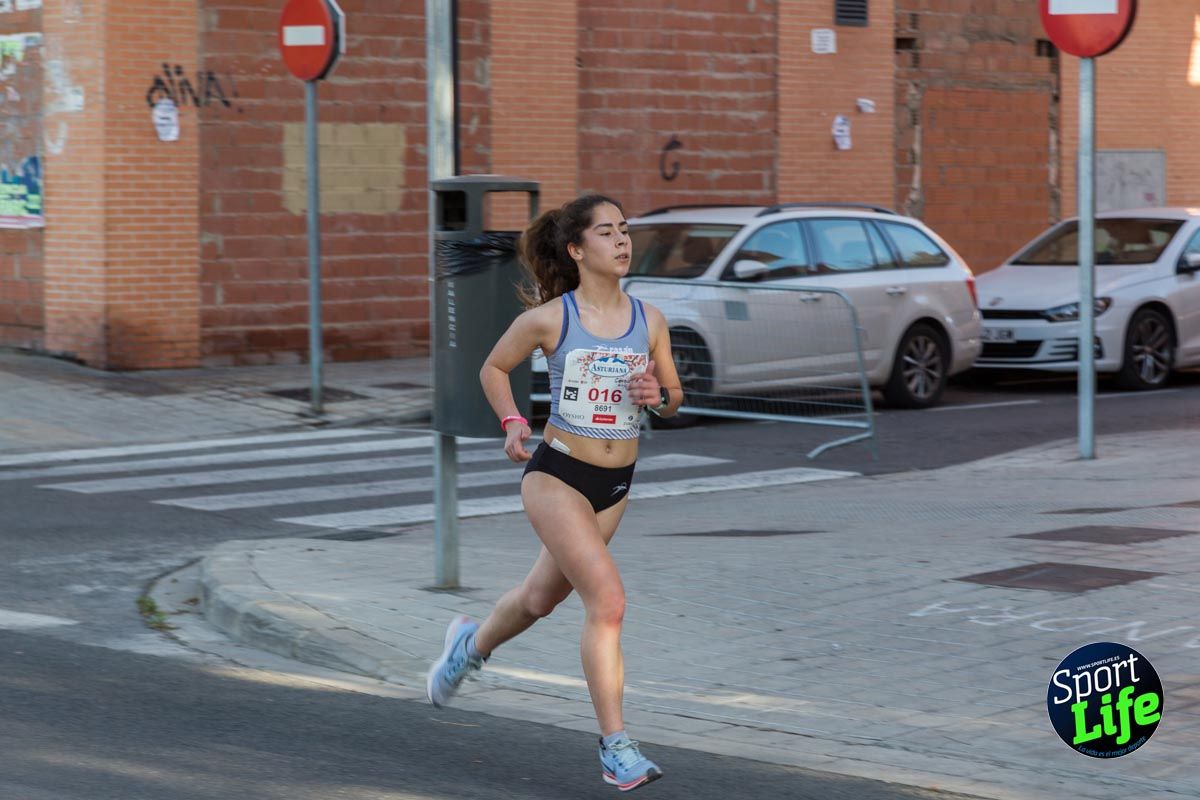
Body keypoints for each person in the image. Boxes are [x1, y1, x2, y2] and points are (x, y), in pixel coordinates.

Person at [425, 194, 682, 792]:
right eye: (607, 232)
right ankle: (615, 746)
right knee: (608, 601)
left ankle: (470, 644)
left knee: (540, 599)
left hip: (614, 485)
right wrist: (514, 421)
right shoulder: (552, 318)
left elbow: (673, 397)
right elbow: (493, 367)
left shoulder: (651, 320)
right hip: (557, 476)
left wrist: (657, 396)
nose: (622, 241)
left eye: (625, 230)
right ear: (576, 250)